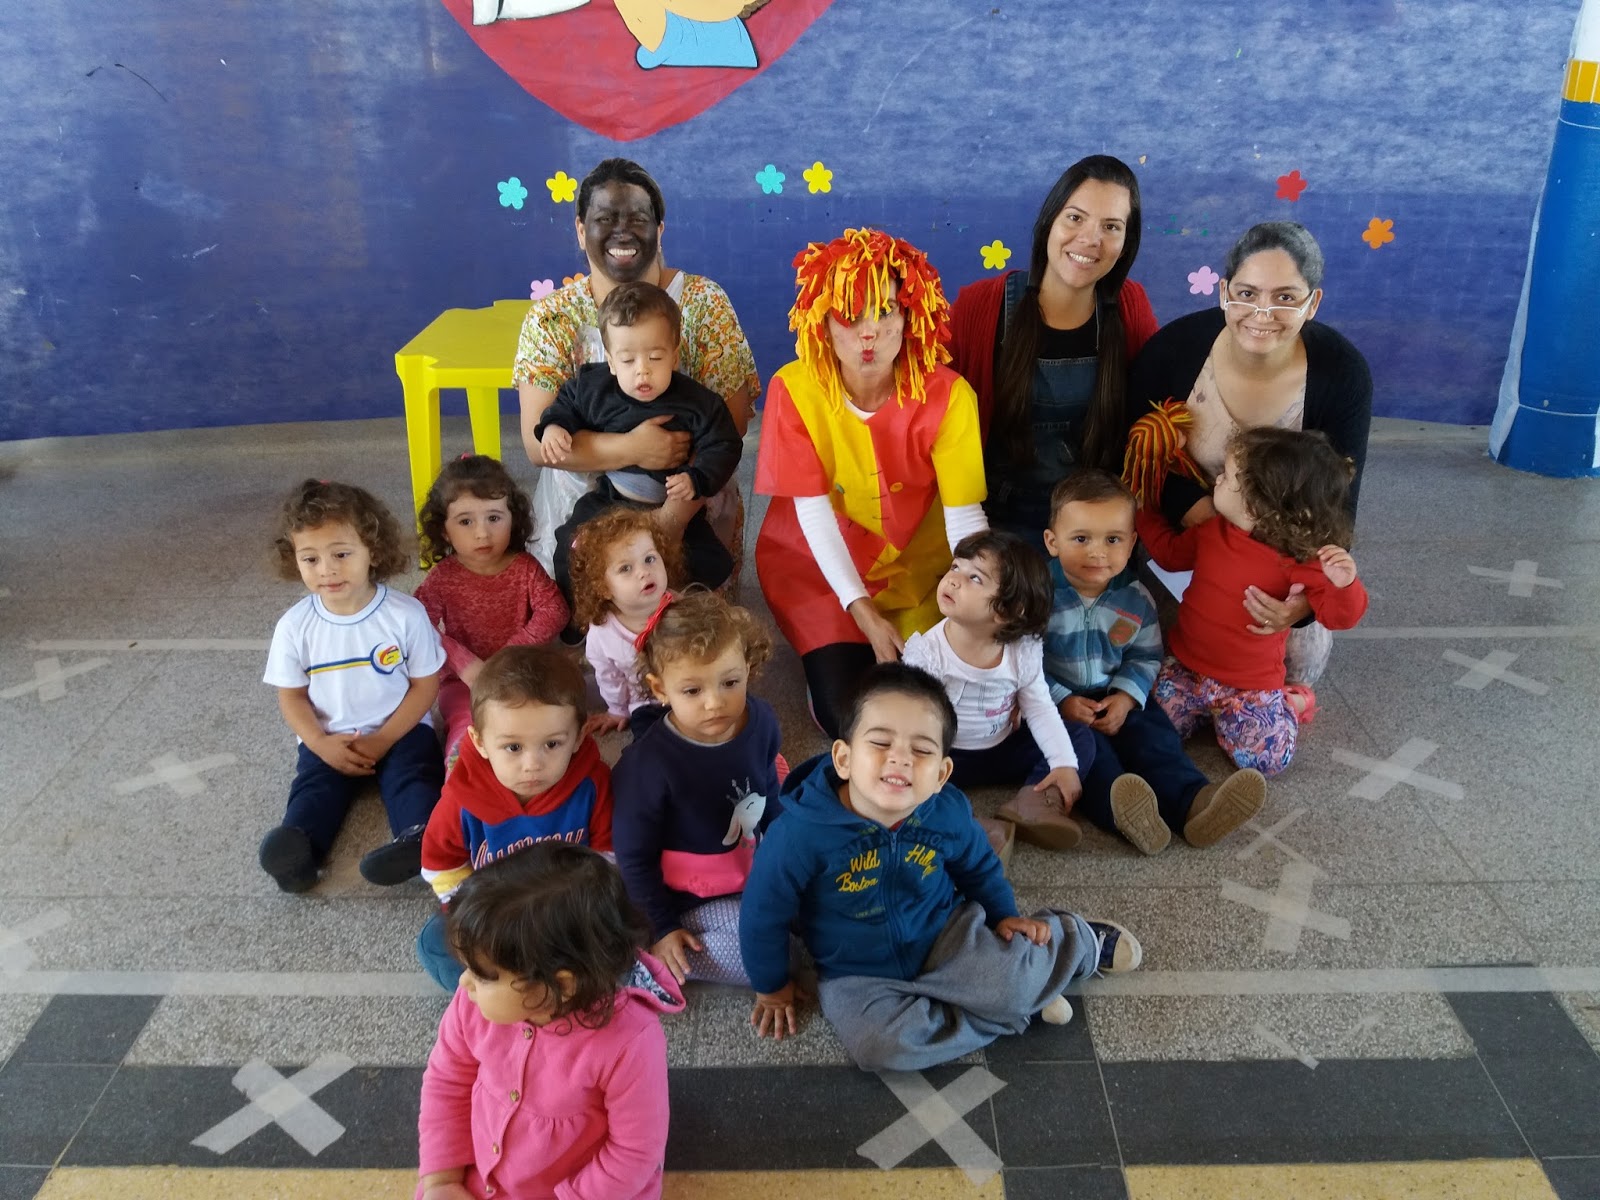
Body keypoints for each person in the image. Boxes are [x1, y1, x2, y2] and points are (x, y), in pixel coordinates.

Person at [738, 663, 1142, 1072]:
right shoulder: (799, 832)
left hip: (945, 935)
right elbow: (761, 913)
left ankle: (1077, 941)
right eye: (880, 742)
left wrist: (1004, 916)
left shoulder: (946, 811)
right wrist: (770, 985)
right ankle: (1014, 1006)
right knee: (878, 1049)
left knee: (1013, 983)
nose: (900, 759)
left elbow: (980, 868)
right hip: (855, 971)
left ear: (941, 774)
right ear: (843, 758)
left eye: (921, 750)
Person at [754, 228, 988, 737]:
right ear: (823, 321)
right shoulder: (793, 389)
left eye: (885, 311)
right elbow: (813, 515)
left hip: (917, 568)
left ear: (909, 316)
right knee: (849, 717)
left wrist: (983, 598)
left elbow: (964, 518)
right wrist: (862, 614)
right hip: (816, 566)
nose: (869, 333)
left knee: (944, 705)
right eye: (850, 314)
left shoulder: (950, 395)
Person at [1123, 220, 1373, 685]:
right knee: (1146, 633)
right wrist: (1206, 518)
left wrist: (1299, 605)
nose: (1262, 313)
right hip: (1187, 524)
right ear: (1223, 292)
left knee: (1300, 655)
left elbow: (1338, 507)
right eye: (1247, 293)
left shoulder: (1342, 374)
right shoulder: (1172, 351)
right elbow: (1135, 453)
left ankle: (1281, 701)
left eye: (1285, 297)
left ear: (1313, 303)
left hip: (1280, 548)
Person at [515, 158, 758, 576]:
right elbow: (539, 444)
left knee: (693, 603)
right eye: (604, 219)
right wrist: (635, 449)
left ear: (659, 230)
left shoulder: (703, 302)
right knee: (588, 596)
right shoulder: (550, 318)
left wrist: (669, 521)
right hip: (583, 507)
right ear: (581, 230)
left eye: (638, 219)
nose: (622, 232)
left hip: (687, 501)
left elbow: (730, 425)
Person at [417, 844, 682, 1200]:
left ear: (561, 986)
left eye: (483, 976)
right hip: (476, 1177)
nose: (464, 983)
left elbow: (633, 1155)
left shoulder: (630, 1041)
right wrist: (442, 1178)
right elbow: (447, 1082)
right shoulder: (473, 1004)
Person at [1042, 470, 1266, 855]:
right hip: (1056, 705)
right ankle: (1125, 813)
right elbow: (1021, 662)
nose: (1097, 552)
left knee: (1155, 737)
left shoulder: (1135, 598)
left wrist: (1127, 697)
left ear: (1132, 543)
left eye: (1113, 539)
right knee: (1088, 757)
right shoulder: (1037, 597)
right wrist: (1060, 699)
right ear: (1052, 542)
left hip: (1116, 693)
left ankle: (1194, 803)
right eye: (1081, 539)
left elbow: (1145, 656)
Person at [948, 155, 1158, 547]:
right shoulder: (980, 305)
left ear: (1126, 242)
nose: (1090, 239)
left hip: (1094, 527)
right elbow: (935, 416)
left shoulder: (1130, 306)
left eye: (1111, 227)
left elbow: (1154, 414)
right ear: (1049, 222)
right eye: (1075, 218)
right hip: (995, 522)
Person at [1137, 428, 1370, 778]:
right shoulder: (1212, 531)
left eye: (1228, 476)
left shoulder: (1299, 559)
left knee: (1267, 760)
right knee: (1144, 732)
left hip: (1249, 686)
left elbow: (1340, 618)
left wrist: (1345, 585)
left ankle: (1290, 702)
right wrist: (1141, 509)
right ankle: (1214, 714)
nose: (1217, 479)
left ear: (1257, 504)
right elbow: (1170, 555)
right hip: (1186, 670)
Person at [258, 481, 445, 893]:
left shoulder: (405, 615)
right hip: (328, 736)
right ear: (294, 558)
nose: (327, 569)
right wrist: (319, 743)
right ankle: (298, 854)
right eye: (310, 558)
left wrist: (384, 739)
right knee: (314, 789)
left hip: (400, 730)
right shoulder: (294, 626)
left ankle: (419, 839)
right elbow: (291, 696)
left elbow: (425, 685)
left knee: (414, 776)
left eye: (341, 554)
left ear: (372, 551)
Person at [416, 646, 614, 992]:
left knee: (621, 939)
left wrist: (583, 914)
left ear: (579, 736)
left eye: (552, 744)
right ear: (479, 742)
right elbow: (441, 863)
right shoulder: (461, 798)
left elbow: (608, 858)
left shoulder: (593, 785)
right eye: (513, 747)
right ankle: (509, 997)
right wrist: (472, 915)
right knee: (434, 942)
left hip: (566, 911)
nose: (532, 764)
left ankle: (541, 993)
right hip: (495, 914)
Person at [611, 590, 782, 987]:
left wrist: (789, 852)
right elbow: (633, 857)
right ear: (659, 690)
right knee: (763, 957)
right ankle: (641, 961)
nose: (715, 703)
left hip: (748, 867)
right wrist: (662, 926)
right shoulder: (648, 766)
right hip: (685, 897)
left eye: (730, 682)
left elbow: (769, 792)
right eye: (692, 691)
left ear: (748, 668)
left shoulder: (762, 720)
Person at [537, 282, 742, 594]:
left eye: (655, 358)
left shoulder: (698, 402)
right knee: (572, 545)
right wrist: (554, 426)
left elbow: (725, 443)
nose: (642, 371)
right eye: (628, 360)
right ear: (610, 361)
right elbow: (566, 404)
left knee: (702, 562)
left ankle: (687, 615)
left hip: (668, 499)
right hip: (611, 499)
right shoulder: (595, 389)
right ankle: (581, 617)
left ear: (674, 357)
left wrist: (697, 477)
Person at [903, 531, 1095, 858]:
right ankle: (973, 830)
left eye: (974, 577)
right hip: (947, 757)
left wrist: (1063, 763)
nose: (953, 579)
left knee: (1079, 739)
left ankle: (1033, 801)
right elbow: (913, 728)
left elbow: (1040, 707)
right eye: (955, 567)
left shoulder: (1023, 650)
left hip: (1003, 746)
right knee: (900, 781)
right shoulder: (927, 655)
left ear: (1007, 611)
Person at [414, 455, 568, 765]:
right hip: (463, 682)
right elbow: (417, 624)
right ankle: (462, 768)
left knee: (535, 722)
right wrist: (463, 662)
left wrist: (508, 655)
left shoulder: (525, 567)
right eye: (465, 521)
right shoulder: (443, 576)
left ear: (513, 519)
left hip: (523, 672)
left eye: (494, 518)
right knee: (467, 723)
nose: (482, 533)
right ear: (444, 530)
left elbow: (555, 610)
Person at [569, 507, 686, 738]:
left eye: (650, 559)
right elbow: (609, 675)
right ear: (603, 587)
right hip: (645, 705)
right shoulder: (602, 633)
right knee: (648, 746)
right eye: (625, 568)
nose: (644, 572)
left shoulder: (682, 609)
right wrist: (617, 710)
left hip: (689, 693)